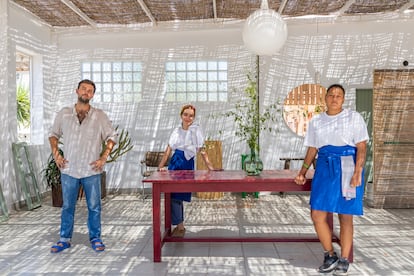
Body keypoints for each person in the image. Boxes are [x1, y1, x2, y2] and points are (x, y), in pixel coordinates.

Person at [294, 84, 369, 275]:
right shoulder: (316, 121)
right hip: (324, 167)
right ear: (325, 98)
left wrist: (358, 171)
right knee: (317, 214)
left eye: (339, 96)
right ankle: (329, 254)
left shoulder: (354, 117)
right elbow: (312, 148)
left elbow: (361, 147)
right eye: (331, 95)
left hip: (347, 166)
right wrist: (302, 171)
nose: (335, 98)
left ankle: (344, 258)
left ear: (343, 99)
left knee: (345, 215)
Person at [49, 79, 117, 253]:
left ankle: (95, 238)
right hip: (69, 169)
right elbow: (53, 135)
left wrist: (103, 158)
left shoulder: (99, 115)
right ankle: (64, 238)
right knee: (67, 206)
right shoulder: (64, 114)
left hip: (91, 170)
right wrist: (57, 155)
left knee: (94, 207)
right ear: (77, 91)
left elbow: (112, 137)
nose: (87, 92)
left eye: (90, 90)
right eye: (84, 89)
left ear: (93, 95)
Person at [157, 104, 214, 237]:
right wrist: (160, 166)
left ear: (194, 118)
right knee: (173, 195)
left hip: (187, 163)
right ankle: (180, 226)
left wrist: (211, 168)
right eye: (185, 114)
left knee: (179, 195)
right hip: (175, 162)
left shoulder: (196, 130)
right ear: (181, 115)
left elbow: (202, 150)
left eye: (191, 115)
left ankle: (180, 225)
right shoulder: (176, 131)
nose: (188, 118)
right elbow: (168, 150)